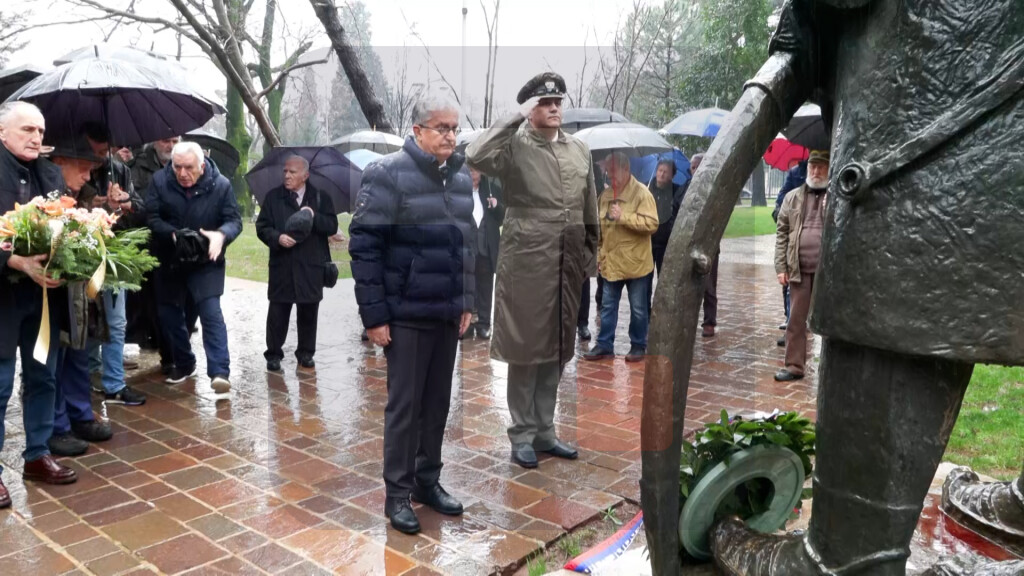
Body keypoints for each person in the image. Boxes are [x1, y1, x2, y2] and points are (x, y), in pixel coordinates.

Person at [350, 93, 476, 535]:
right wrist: (374, 316)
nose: (450, 136)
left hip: (445, 312)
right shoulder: (386, 175)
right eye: (442, 128)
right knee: (404, 408)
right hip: (404, 315)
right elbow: (365, 247)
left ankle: (427, 481)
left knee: (437, 405)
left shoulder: (459, 179)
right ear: (417, 130)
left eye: (455, 129)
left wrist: (467, 300)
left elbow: (467, 243)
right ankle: (397, 494)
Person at [467, 72, 599, 470]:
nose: (554, 107)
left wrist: (589, 255)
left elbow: (588, 203)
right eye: (544, 103)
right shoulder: (513, 146)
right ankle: (522, 433)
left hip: (567, 260)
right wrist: (514, 118)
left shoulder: (579, 150)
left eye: (558, 101)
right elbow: (475, 154)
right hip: (527, 260)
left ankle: (545, 430)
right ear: (531, 108)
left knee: (558, 347)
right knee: (527, 349)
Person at [0, 102, 79, 503]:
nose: (36, 137)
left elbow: (66, 227)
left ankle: (37, 455)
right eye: (27, 129)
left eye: (41, 131)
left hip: (42, 298)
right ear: (2, 132)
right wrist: (13, 259)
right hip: (2, 299)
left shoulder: (50, 175)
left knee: (43, 378)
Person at [146, 141, 241, 393]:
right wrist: (174, 234)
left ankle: (220, 372)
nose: (182, 174)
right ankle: (185, 361)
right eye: (177, 167)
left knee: (211, 313)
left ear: (202, 164)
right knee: (168, 314)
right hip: (170, 258)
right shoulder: (159, 181)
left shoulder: (221, 186)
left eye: (189, 168)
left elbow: (234, 220)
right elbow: (151, 217)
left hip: (205, 260)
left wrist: (221, 235)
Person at [47, 145, 116, 456]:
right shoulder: (44, 191)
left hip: (82, 290)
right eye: (84, 168)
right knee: (56, 358)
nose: (90, 175)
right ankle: (57, 425)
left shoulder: (83, 193)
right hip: (53, 292)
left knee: (79, 352)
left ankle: (80, 415)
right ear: (60, 162)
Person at [255, 155, 338, 372]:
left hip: (311, 265)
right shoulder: (273, 197)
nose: (287, 175)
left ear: (305, 175)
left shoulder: (320, 198)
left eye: (292, 172)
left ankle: (306, 353)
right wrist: (277, 238)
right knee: (278, 312)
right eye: (285, 171)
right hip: (283, 264)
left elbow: (331, 225)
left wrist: (312, 215)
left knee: (309, 312)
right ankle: (273, 354)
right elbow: (262, 227)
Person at [582, 151, 659, 363]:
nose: (609, 175)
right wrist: (598, 254)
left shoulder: (643, 194)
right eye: (607, 170)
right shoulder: (605, 196)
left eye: (613, 170)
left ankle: (638, 345)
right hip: (611, 262)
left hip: (636, 264)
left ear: (626, 169)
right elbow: (600, 229)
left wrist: (623, 217)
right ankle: (605, 344)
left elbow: (652, 224)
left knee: (638, 309)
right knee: (607, 306)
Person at [773, 150, 829, 382]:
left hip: (828, 272)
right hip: (798, 268)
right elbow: (782, 232)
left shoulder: (836, 196)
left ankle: (832, 371)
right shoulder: (792, 197)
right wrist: (781, 267)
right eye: (812, 167)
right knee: (795, 320)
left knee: (830, 322)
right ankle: (795, 366)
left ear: (829, 169)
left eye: (821, 167)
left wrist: (830, 206)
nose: (815, 172)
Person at [772, 159, 807, 346]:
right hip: (794, 240)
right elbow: (781, 201)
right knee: (791, 288)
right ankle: (790, 325)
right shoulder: (796, 173)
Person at [466, 166, 504, 340]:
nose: (473, 173)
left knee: (485, 288)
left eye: (476, 170)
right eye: (470, 170)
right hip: (467, 248)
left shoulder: (491, 190)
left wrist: (496, 206)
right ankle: (467, 325)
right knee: (467, 287)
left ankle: (483, 324)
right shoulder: (461, 192)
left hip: (486, 248)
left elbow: (503, 216)